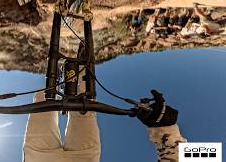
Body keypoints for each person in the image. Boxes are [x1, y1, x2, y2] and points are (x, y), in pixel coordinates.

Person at [23, 68, 186, 162]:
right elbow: (205, 154)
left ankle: (62, 68)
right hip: (83, 157)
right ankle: (80, 66)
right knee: (85, 101)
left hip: (40, 158)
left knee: (43, 99)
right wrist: (166, 128)